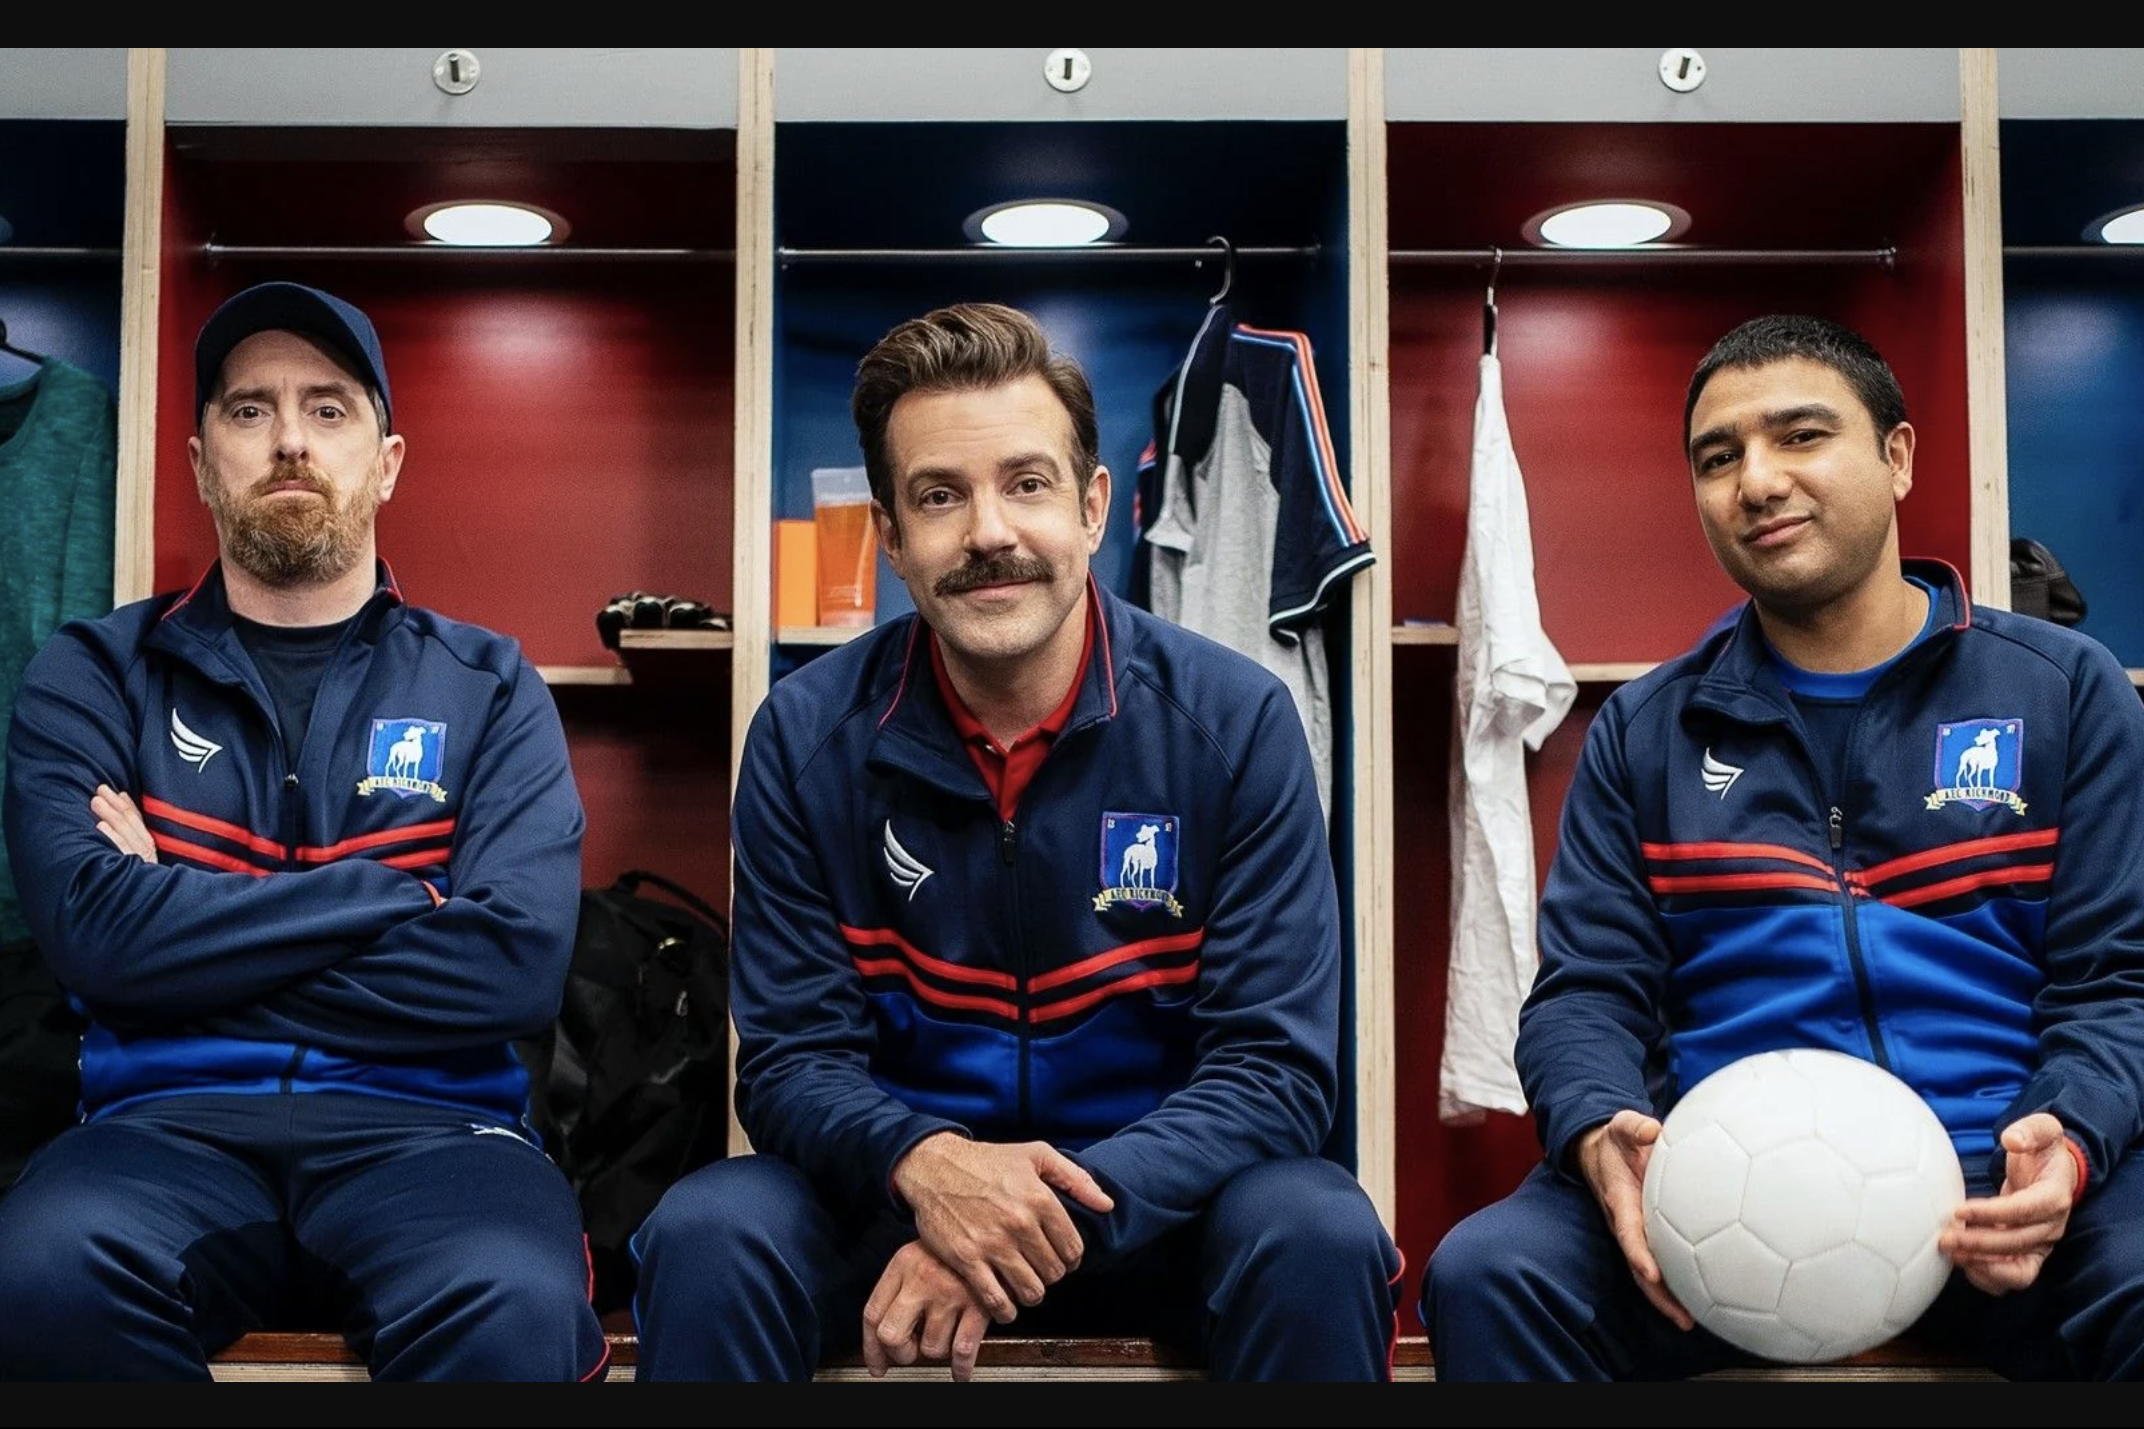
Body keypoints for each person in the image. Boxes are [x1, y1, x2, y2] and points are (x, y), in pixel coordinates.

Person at [630, 301, 1401, 1381]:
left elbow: (1273, 1072)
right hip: (897, 1204)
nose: (988, 531)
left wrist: (1030, 1221)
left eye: (1025, 484)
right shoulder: (805, 739)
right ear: (891, 537)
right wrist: (930, 1168)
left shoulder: (1234, 724)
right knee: (706, 1233)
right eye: (939, 496)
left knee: (1320, 1231)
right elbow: (795, 1062)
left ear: (1092, 508)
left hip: (1159, 1209)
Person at [1422, 313, 2144, 1380]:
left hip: (2004, 1193)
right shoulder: (1645, 727)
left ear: (1896, 456)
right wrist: (1597, 1127)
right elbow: (1584, 995)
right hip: (1719, 1205)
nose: (1754, 481)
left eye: (1799, 436)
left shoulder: (2061, 689)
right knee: (1488, 1271)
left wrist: (2066, 1138)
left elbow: (2115, 982)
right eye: (1717, 457)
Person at [0, 281, 609, 1381]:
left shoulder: (490, 682)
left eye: (329, 409)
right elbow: (94, 943)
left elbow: (510, 970)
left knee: (515, 1305)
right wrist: (388, 895)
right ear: (198, 462)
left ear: (386, 460)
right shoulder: (94, 676)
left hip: (433, 1138)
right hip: (159, 1131)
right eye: (250, 410)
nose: (289, 440)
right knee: (42, 1269)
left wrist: (173, 935)